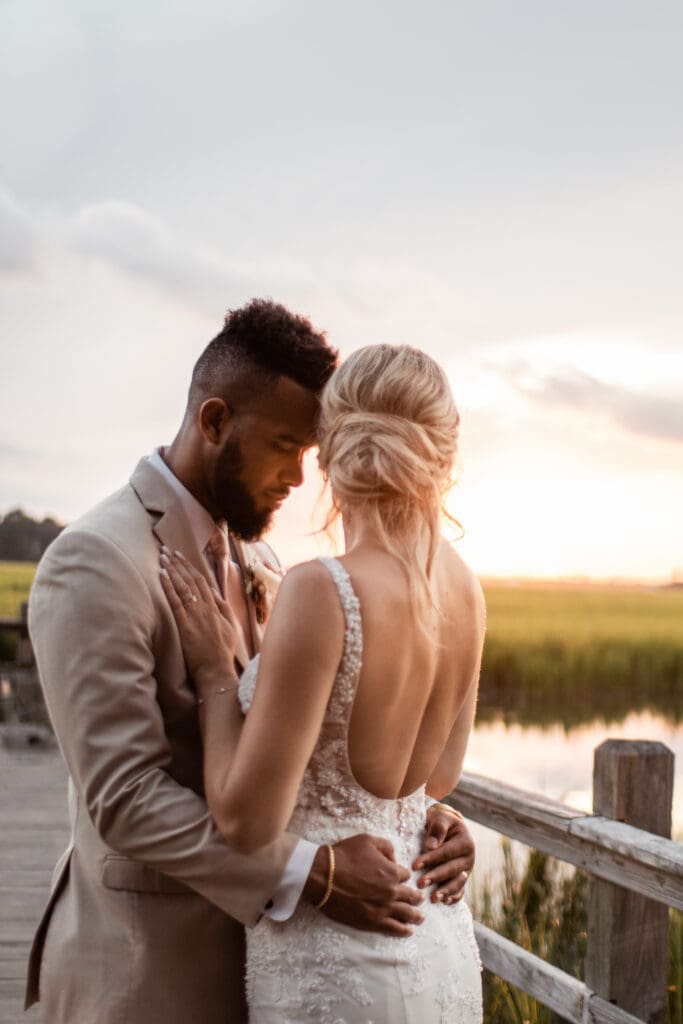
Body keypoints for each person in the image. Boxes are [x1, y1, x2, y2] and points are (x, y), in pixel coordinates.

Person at [26, 301, 476, 1024]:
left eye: (312, 451)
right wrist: (318, 872)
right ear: (213, 422)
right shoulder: (97, 561)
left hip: (300, 967)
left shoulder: (267, 561)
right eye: (284, 446)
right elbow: (124, 794)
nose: (302, 477)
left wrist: (420, 823)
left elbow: (313, 741)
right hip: (154, 972)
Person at [161, 341, 486, 1022]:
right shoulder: (466, 590)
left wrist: (218, 675)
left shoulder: (322, 589)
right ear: (444, 454)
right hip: (434, 938)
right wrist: (441, 820)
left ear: (328, 451)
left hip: (339, 954)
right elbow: (439, 778)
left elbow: (249, 823)